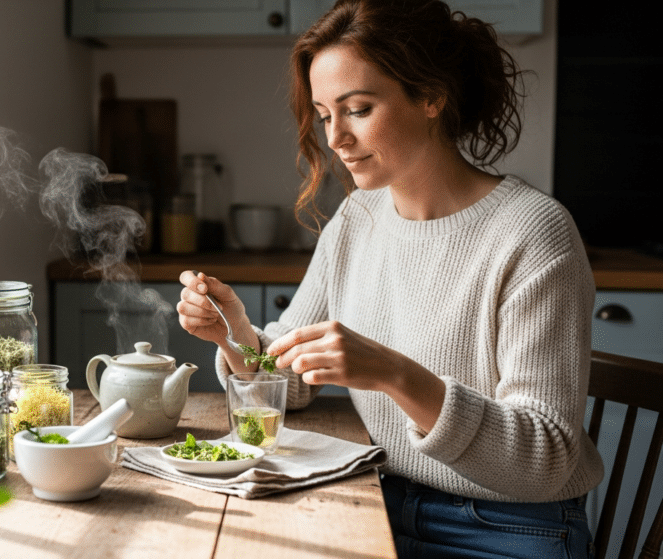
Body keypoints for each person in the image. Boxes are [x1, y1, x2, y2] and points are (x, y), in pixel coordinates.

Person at [176, 1, 603, 558]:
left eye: (358, 109)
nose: (335, 139)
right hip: (374, 498)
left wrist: (393, 373)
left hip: (506, 528)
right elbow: (296, 385)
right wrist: (233, 336)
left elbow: (545, 460)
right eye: (326, 115)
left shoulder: (533, 233)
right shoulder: (359, 218)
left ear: (431, 95)